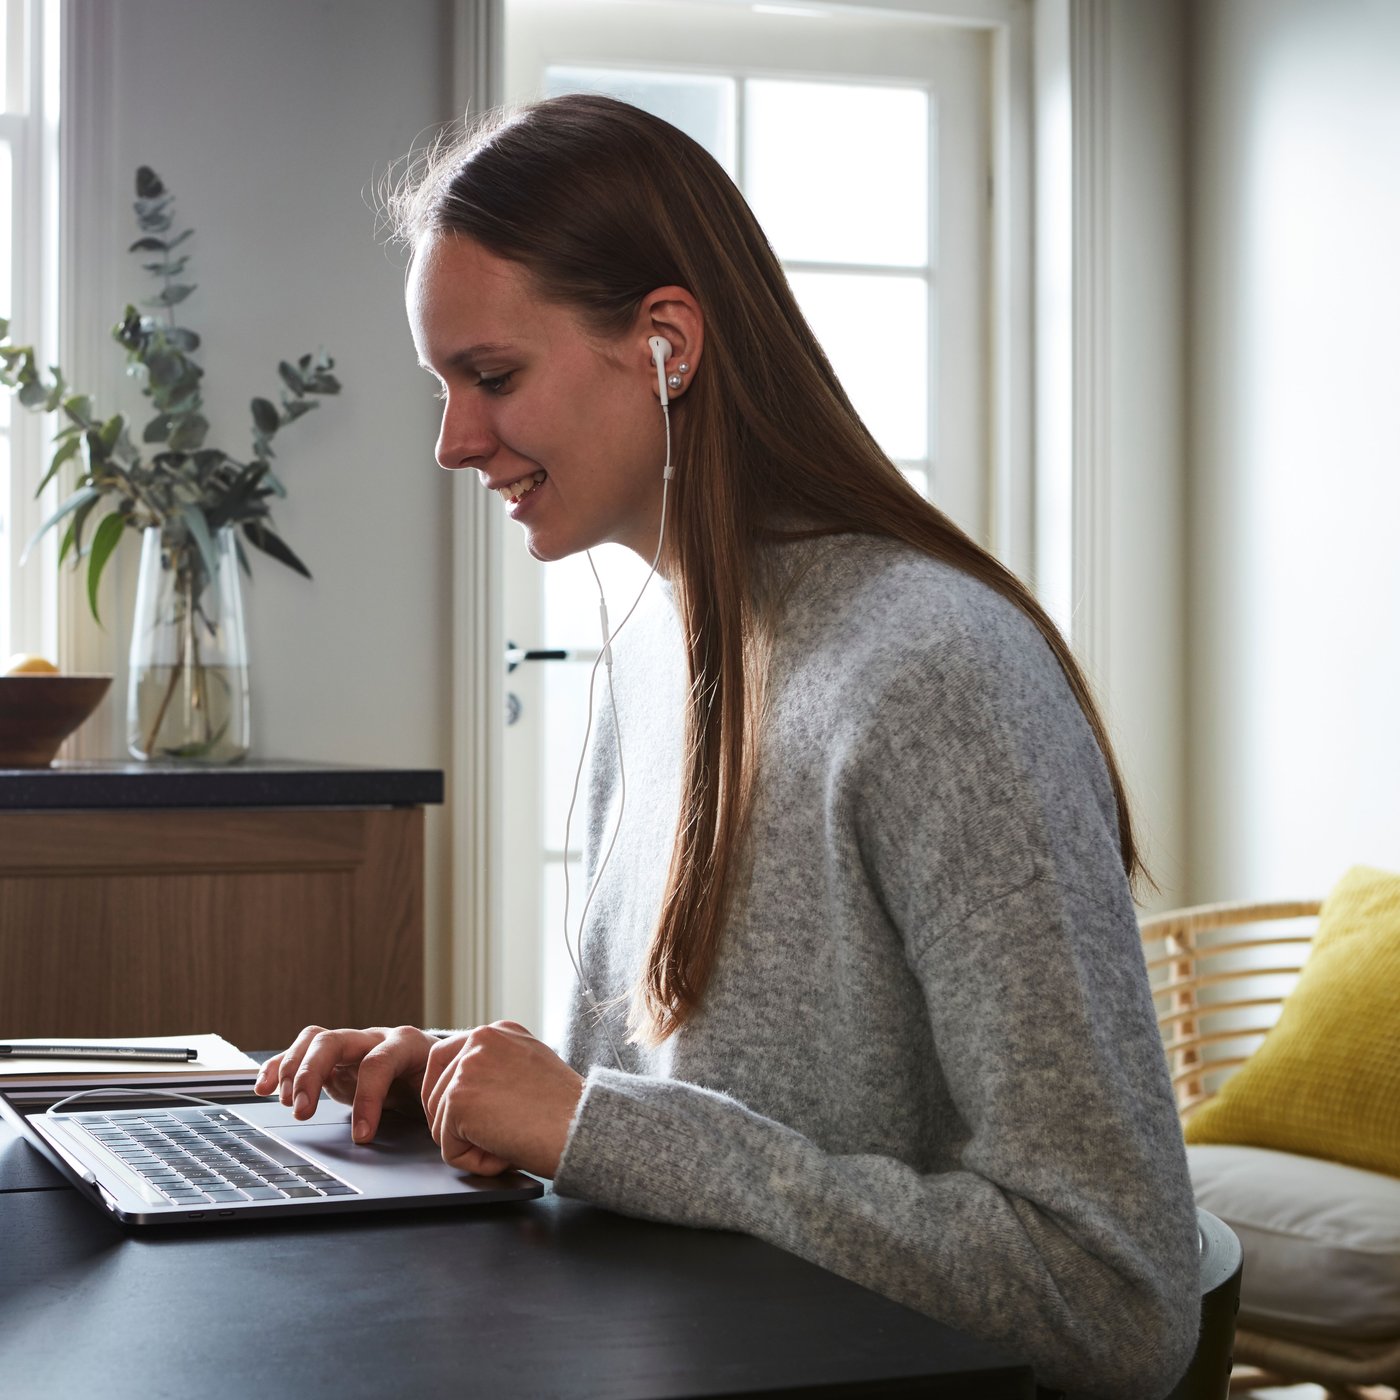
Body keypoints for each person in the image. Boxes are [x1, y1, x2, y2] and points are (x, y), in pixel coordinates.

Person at [256, 94, 1199, 1398]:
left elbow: (1119, 1301)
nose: (453, 442)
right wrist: (469, 1100)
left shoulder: (937, 676)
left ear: (666, 343)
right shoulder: (650, 649)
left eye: (493, 375)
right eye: (443, 385)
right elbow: (646, 1138)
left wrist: (594, 1126)